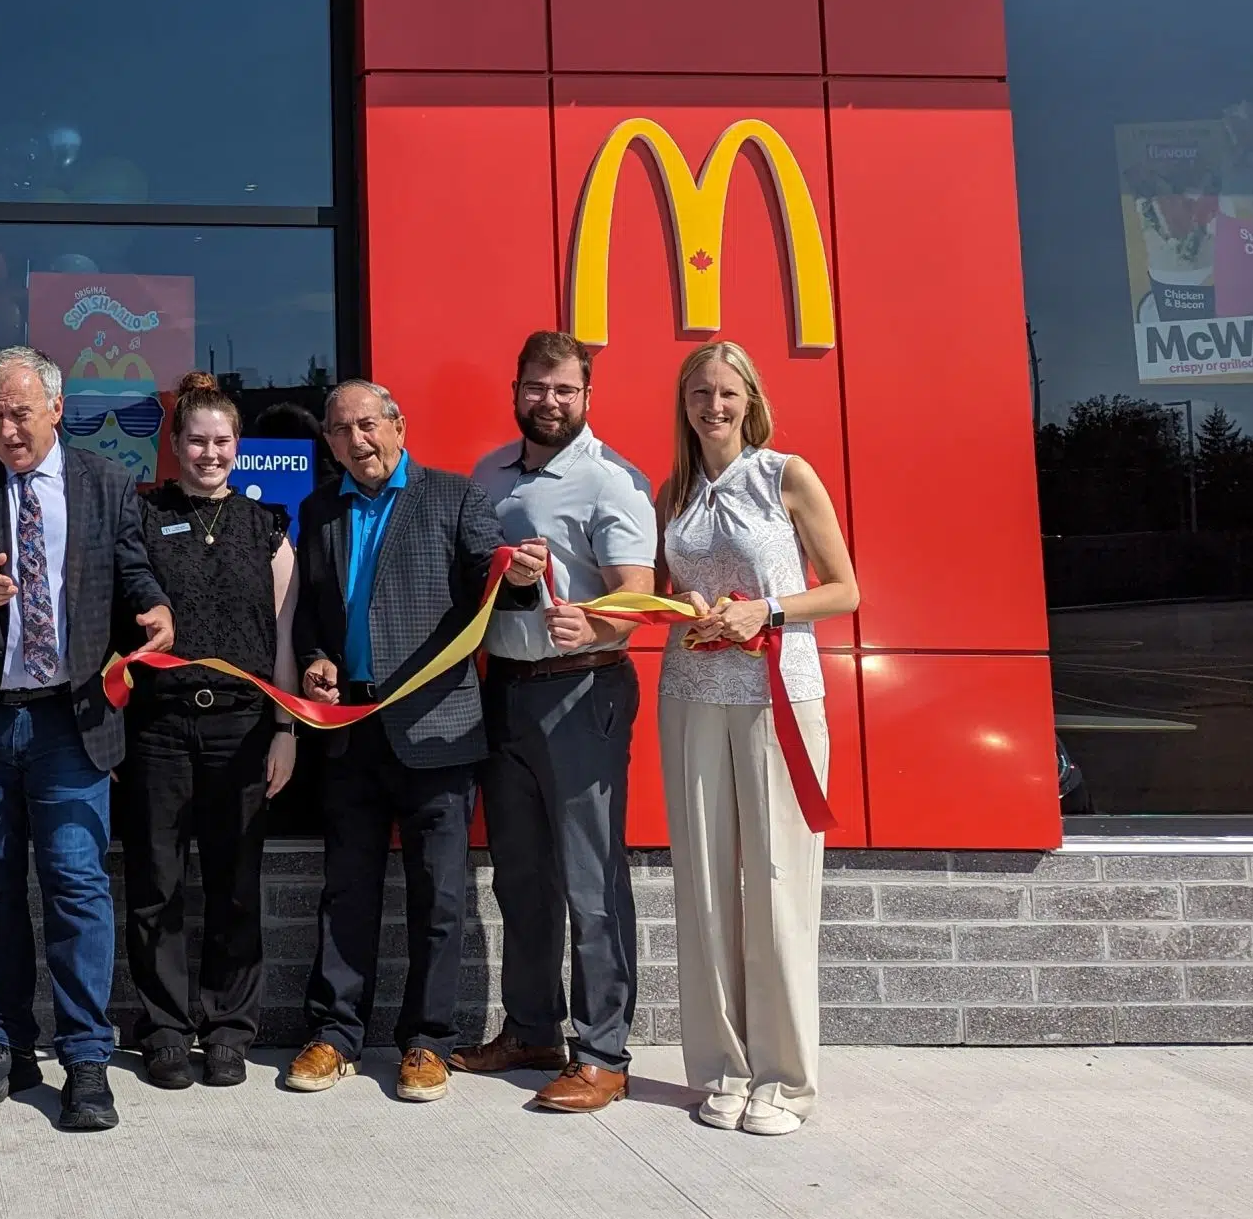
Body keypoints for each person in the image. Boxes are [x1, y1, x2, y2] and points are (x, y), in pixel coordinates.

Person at [0, 345, 174, 1134]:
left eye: (21, 411)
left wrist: (155, 607)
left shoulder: (103, 483)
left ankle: (86, 1058)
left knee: (76, 883)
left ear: (57, 408)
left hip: (71, 717)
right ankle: (7, 1044)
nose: (8, 426)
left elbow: (133, 572)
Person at [283, 378, 530, 1102]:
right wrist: (317, 659)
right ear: (326, 441)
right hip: (349, 732)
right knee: (346, 892)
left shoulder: (453, 497)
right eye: (339, 429)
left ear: (398, 424)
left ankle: (427, 1041)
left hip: (437, 732)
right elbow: (312, 614)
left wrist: (520, 575)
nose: (356, 439)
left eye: (367, 424)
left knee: (441, 897)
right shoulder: (319, 508)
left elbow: (497, 581)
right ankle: (335, 1034)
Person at [657, 339, 860, 1137]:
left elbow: (845, 588)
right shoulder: (670, 490)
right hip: (690, 695)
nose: (714, 405)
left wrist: (765, 611)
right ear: (684, 402)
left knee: (777, 885)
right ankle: (721, 1067)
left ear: (751, 399)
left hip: (779, 696)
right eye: (700, 392)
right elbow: (665, 592)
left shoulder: (787, 474)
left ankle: (785, 1079)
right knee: (704, 886)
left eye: (728, 392)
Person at [456, 332, 659, 1113]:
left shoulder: (613, 481)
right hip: (503, 690)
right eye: (536, 387)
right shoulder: (489, 475)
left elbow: (635, 592)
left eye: (564, 390)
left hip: (583, 692)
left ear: (586, 396)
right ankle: (534, 1027)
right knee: (521, 876)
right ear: (517, 389)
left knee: (590, 879)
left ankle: (603, 1051)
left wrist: (596, 625)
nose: (549, 400)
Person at [121, 370, 299, 1091]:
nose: (209, 452)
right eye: (196, 439)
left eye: (222, 440)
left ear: (238, 445)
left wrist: (287, 725)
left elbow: (286, 634)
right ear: (174, 443)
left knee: (234, 883)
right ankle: (164, 1028)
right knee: (156, 884)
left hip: (244, 727)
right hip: (159, 726)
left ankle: (228, 1028)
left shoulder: (268, 527)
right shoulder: (142, 515)